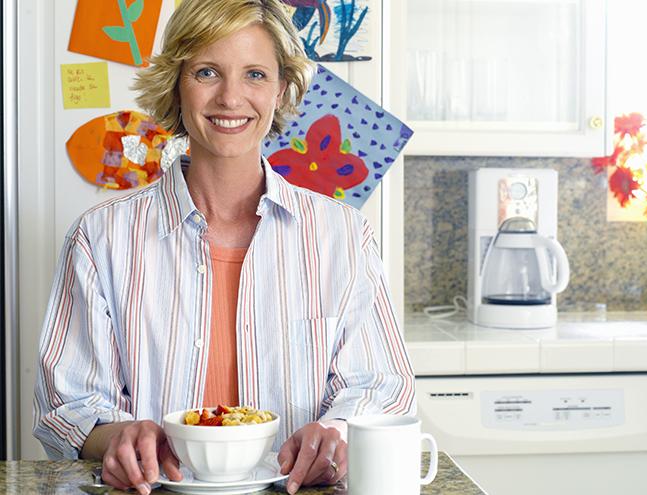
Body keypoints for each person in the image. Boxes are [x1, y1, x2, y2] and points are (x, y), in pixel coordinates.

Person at [32, 0, 415, 494]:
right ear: (176, 83)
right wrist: (117, 438)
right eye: (208, 71)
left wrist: (335, 433)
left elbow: (382, 387)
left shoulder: (342, 235)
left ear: (281, 90)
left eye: (255, 74)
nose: (231, 98)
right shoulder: (101, 237)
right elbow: (67, 407)